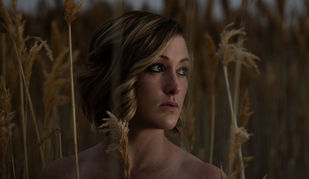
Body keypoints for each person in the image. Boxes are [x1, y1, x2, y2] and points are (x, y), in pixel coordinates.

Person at [44, 11, 224, 179]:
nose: (175, 86)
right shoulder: (64, 173)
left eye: (182, 71)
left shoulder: (206, 176)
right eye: (157, 67)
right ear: (117, 75)